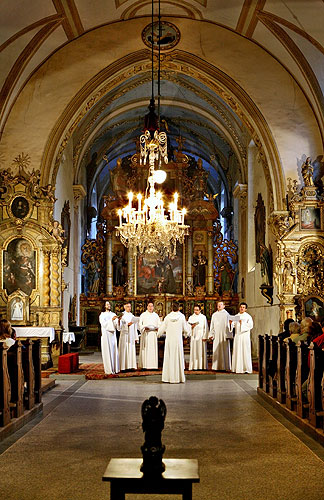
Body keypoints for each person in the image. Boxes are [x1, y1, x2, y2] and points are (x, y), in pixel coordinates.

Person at [158, 302, 190, 383]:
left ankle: (168, 378)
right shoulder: (181, 317)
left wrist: (158, 334)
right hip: (178, 340)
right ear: (179, 308)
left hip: (169, 340)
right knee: (177, 357)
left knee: (169, 357)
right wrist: (187, 334)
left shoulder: (168, 317)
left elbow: (161, 329)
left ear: (171, 308)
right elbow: (186, 330)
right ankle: (178, 378)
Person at [229, 302, 253, 374]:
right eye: (241, 307)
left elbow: (250, 326)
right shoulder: (236, 316)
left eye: (243, 307)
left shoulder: (248, 316)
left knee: (245, 351)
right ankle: (237, 368)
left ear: (245, 309)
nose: (242, 308)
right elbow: (233, 326)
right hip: (238, 336)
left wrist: (242, 323)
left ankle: (246, 368)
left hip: (245, 336)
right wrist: (230, 323)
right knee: (237, 351)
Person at [209, 301, 231, 371]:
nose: (219, 306)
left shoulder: (227, 315)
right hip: (217, 335)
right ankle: (216, 366)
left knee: (224, 350)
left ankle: (225, 366)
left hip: (224, 335)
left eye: (221, 305)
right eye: (218, 305)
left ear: (224, 306)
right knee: (216, 350)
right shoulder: (214, 315)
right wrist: (211, 334)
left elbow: (230, 325)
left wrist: (230, 325)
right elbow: (212, 325)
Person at [138, 301, 161, 370]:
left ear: (153, 307)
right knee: (145, 349)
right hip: (146, 334)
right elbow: (140, 324)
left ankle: (153, 365)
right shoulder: (143, 315)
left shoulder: (156, 315)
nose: (150, 307)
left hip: (153, 334)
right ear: (147, 307)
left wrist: (157, 328)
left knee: (152, 349)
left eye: (152, 306)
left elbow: (159, 324)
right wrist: (144, 328)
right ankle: (145, 365)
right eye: (149, 306)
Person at [99, 301, 119, 375]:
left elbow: (117, 325)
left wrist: (118, 321)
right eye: (107, 304)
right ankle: (108, 369)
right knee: (107, 351)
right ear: (104, 306)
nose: (109, 305)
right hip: (106, 334)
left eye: (109, 304)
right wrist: (111, 320)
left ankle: (114, 368)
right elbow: (103, 324)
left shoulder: (113, 314)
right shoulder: (102, 315)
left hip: (112, 335)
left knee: (113, 351)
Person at [119, 302, 139, 371]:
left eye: (130, 306)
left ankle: (131, 366)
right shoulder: (122, 315)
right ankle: (124, 367)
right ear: (124, 307)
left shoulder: (132, 315)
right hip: (125, 335)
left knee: (131, 349)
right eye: (127, 306)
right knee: (125, 350)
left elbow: (135, 327)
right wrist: (127, 325)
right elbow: (119, 326)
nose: (129, 308)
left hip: (131, 335)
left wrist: (136, 337)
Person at [188, 304, 209, 370]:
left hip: (201, 335)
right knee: (194, 351)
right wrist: (191, 327)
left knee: (201, 351)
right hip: (194, 335)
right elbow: (187, 326)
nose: (196, 311)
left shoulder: (203, 317)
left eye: (197, 310)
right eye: (194, 310)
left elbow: (206, 327)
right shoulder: (191, 317)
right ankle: (194, 366)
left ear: (200, 310)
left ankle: (201, 366)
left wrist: (205, 336)